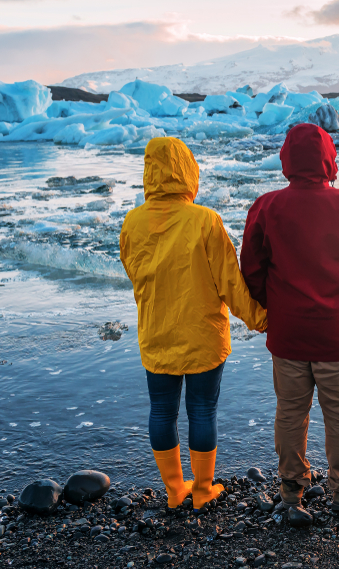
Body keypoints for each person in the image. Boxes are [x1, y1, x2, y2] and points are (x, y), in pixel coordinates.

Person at [240, 123, 339, 512]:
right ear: (329, 159)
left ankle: (292, 491)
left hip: (288, 334)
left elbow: (251, 268)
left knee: (290, 412)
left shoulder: (267, 206)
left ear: (286, 159)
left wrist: (269, 306)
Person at [120, 137, 267, 511]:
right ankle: (202, 490)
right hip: (202, 336)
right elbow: (230, 283)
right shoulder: (205, 220)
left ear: (150, 172)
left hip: (156, 334)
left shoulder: (132, 222)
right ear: (188, 171)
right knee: (202, 410)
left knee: (161, 411)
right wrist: (259, 318)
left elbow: (133, 271)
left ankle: (173, 489)